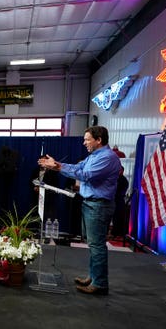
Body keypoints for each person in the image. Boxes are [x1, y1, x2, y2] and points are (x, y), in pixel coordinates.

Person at [38, 125, 121, 295]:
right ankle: (94, 276)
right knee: (93, 244)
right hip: (91, 204)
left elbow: (85, 175)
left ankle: (100, 283)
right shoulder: (94, 156)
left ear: (99, 140)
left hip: (98, 205)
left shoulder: (107, 157)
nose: (84, 143)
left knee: (97, 245)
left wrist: (59, 168)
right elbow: (78, 168)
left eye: (87, 139)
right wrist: (58, 165)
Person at [111, 167, 130, 238]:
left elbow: (120, 192)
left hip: (118, 201)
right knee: (112, 217)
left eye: (119, 170)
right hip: (113, 199)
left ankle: (116, 233)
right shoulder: (115, 178)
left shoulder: (123, 180)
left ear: (122, 171)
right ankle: (113, 233)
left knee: (117, 218)